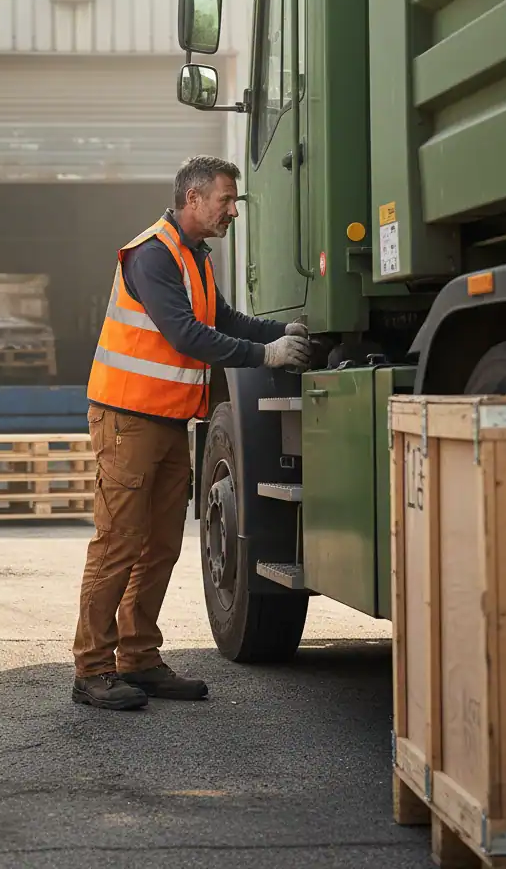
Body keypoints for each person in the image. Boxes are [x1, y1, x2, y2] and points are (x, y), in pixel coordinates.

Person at [72, 155, 313, 710]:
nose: (233, 211)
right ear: (193, 198)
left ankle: (138, 659)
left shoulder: (194, 256)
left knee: (159, 547)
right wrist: (267, 354)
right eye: (226, 199)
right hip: (127, 420)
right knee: (118, 544)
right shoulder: (152, 255)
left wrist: (285, 331)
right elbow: (186, 334)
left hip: (166, 419)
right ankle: (91, 669)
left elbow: (224, 320)